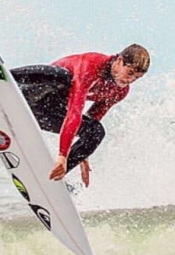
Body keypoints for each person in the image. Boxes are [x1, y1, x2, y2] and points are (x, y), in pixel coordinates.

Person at [11, 44, 149, 187]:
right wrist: (62, 155)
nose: (130, 80)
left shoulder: (119, 91)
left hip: (46, 115)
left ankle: (52, 177)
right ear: (119, 61)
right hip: (33, 95)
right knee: (63, 76)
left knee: (95, 131)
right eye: (130, 73)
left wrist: (82, 152)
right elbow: (74, 112)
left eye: (136, 78)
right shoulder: (92, 65)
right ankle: (4, 75)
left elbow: (93, 118)